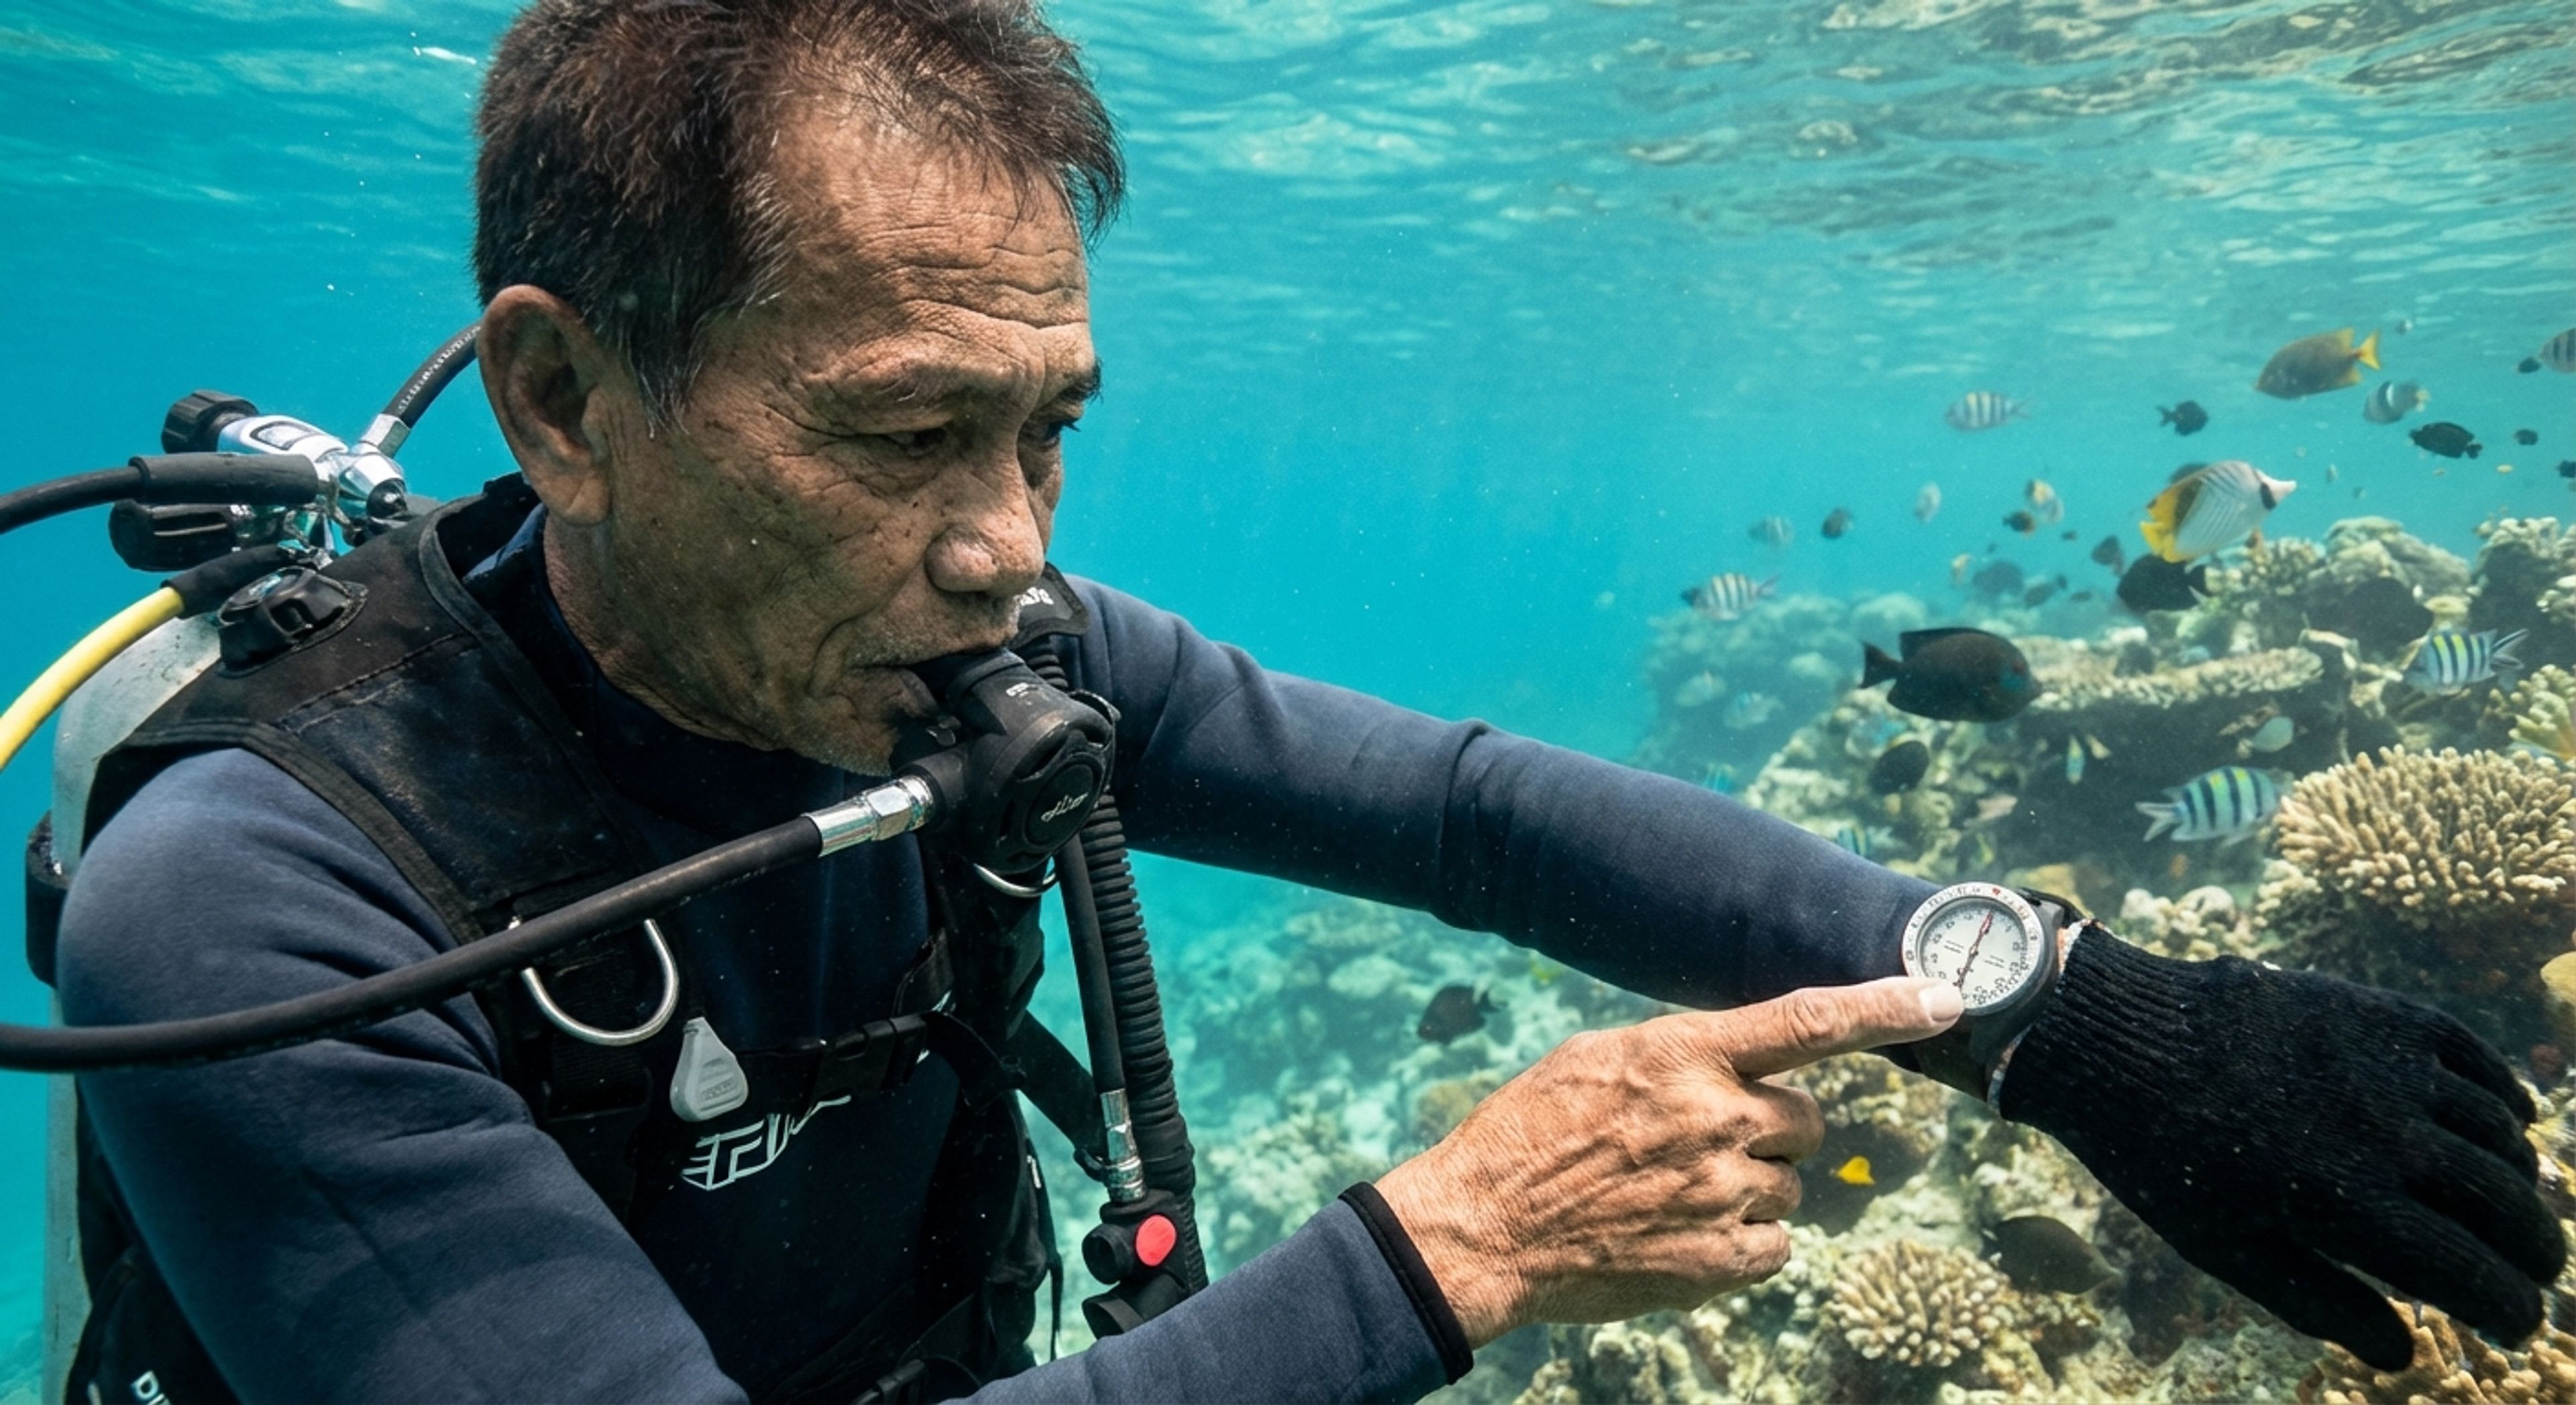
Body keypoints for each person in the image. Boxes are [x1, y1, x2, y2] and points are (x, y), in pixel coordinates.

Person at [54, 1, 2559, 1402]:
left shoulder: (971, 653)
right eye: (905, 430)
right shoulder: (257, 910)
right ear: (565, 404)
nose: (1010, 546)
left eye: (1050, 427)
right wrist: (1452, 1237)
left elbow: (1473, 815)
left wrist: (2054, 1009)